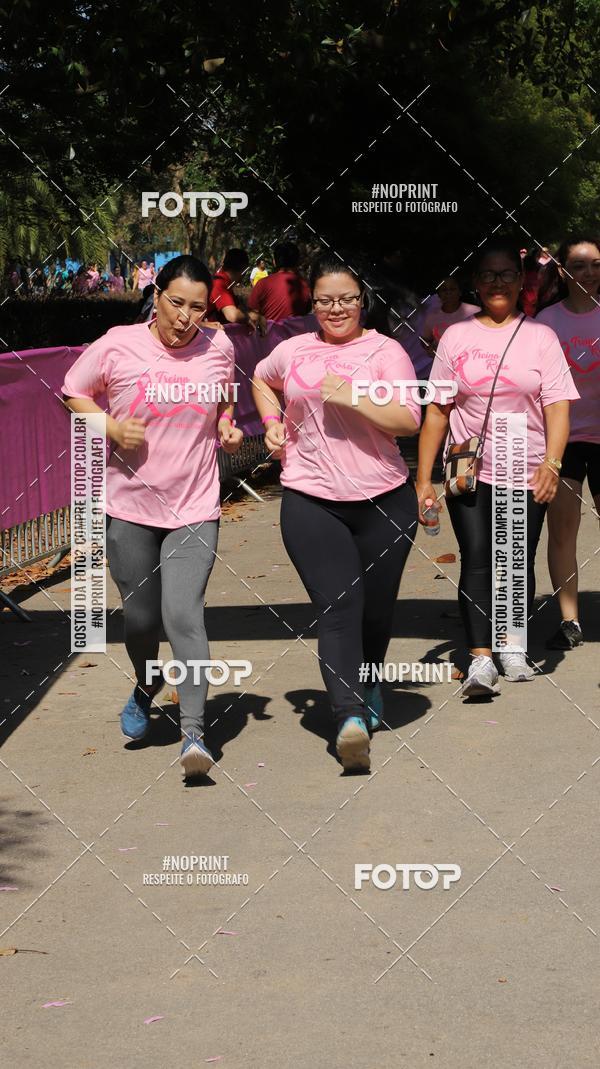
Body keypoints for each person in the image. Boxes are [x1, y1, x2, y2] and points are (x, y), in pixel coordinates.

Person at [62, 255, 243, 780]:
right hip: (130, 508)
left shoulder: (219, 347)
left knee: (183, 614)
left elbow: (223, 398)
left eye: (198, 307)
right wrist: (112, 430)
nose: (187, 317)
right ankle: (146, 683)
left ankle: (193, 733)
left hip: (194, 505)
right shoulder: (119, 343)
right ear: (156, 296)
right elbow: (73, 391)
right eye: (176, 303)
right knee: (141, 620)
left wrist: (228, 425)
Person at [251, 254, 421, 773]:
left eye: (346, 298)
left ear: (362, 300)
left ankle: (369, 679)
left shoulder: (386, 352)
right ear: (313, 304)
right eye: (325, 300)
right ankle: (347, 718)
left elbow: (408, 418)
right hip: (310, 498)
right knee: (339, 606)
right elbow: (261, 378)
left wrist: (353, 398)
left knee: (375, 611)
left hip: (384, 499)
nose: (336, 308)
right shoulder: (294, 350)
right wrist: (272, 421)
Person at [416, 236, 579, 697]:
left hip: (526, 468)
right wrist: (423, 477)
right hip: (472, 471)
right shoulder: (457, 338)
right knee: (478, 557)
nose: (497, 283)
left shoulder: (540, 337)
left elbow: (558, 407)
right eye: (488, 275)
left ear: (521, 279)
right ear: (475, 283)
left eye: (507, 273)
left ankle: (511, 645)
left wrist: (552, 462)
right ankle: (480, 658)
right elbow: (438, 411)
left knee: (516, 559)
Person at [536, 235, 600, 650]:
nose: (589, 273)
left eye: (596, 264)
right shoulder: (545, 322)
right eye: (579, 265)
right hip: (564, 440)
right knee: (563, 531)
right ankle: (570, 621)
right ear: (562, 270)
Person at [247, 243, 311, 321]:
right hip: (299, 332)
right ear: (297, 261)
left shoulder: (262, 284)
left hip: (270, 332)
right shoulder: (305, 285)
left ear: (274, 262)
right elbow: (307, 311)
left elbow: (253, 315)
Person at [420, 275, 479, 359]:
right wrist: (429, 348)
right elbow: (425, 340)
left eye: (452, 289)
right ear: (438, 294)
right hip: (444, 364)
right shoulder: (432, 317)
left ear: (460, 292)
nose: (448, 293)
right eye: (444, 290)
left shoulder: (475, 311)